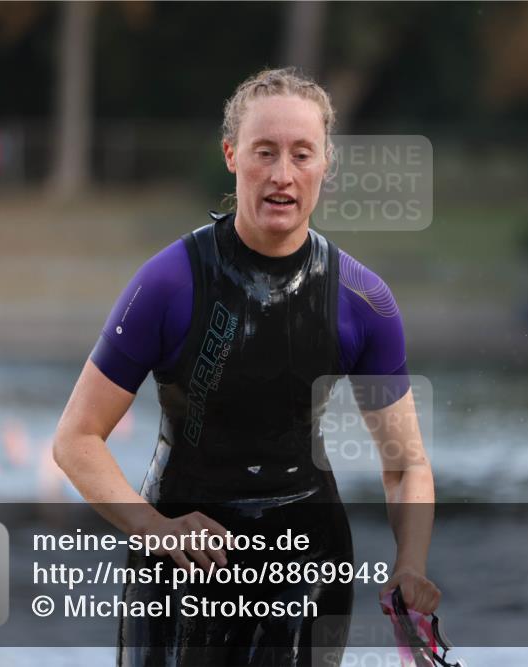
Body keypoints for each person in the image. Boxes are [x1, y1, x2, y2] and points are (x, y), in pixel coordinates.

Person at [53, 67, 438, 667]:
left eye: (301, 153)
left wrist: (410, 566)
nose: (283, 174)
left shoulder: (364, 302)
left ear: (325, 164)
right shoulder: (168, 283)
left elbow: (407, 465)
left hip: (306, 554)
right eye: (265, 152)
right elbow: (76, 439)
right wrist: (155, 528)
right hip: (181, 548)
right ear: (232, 156)